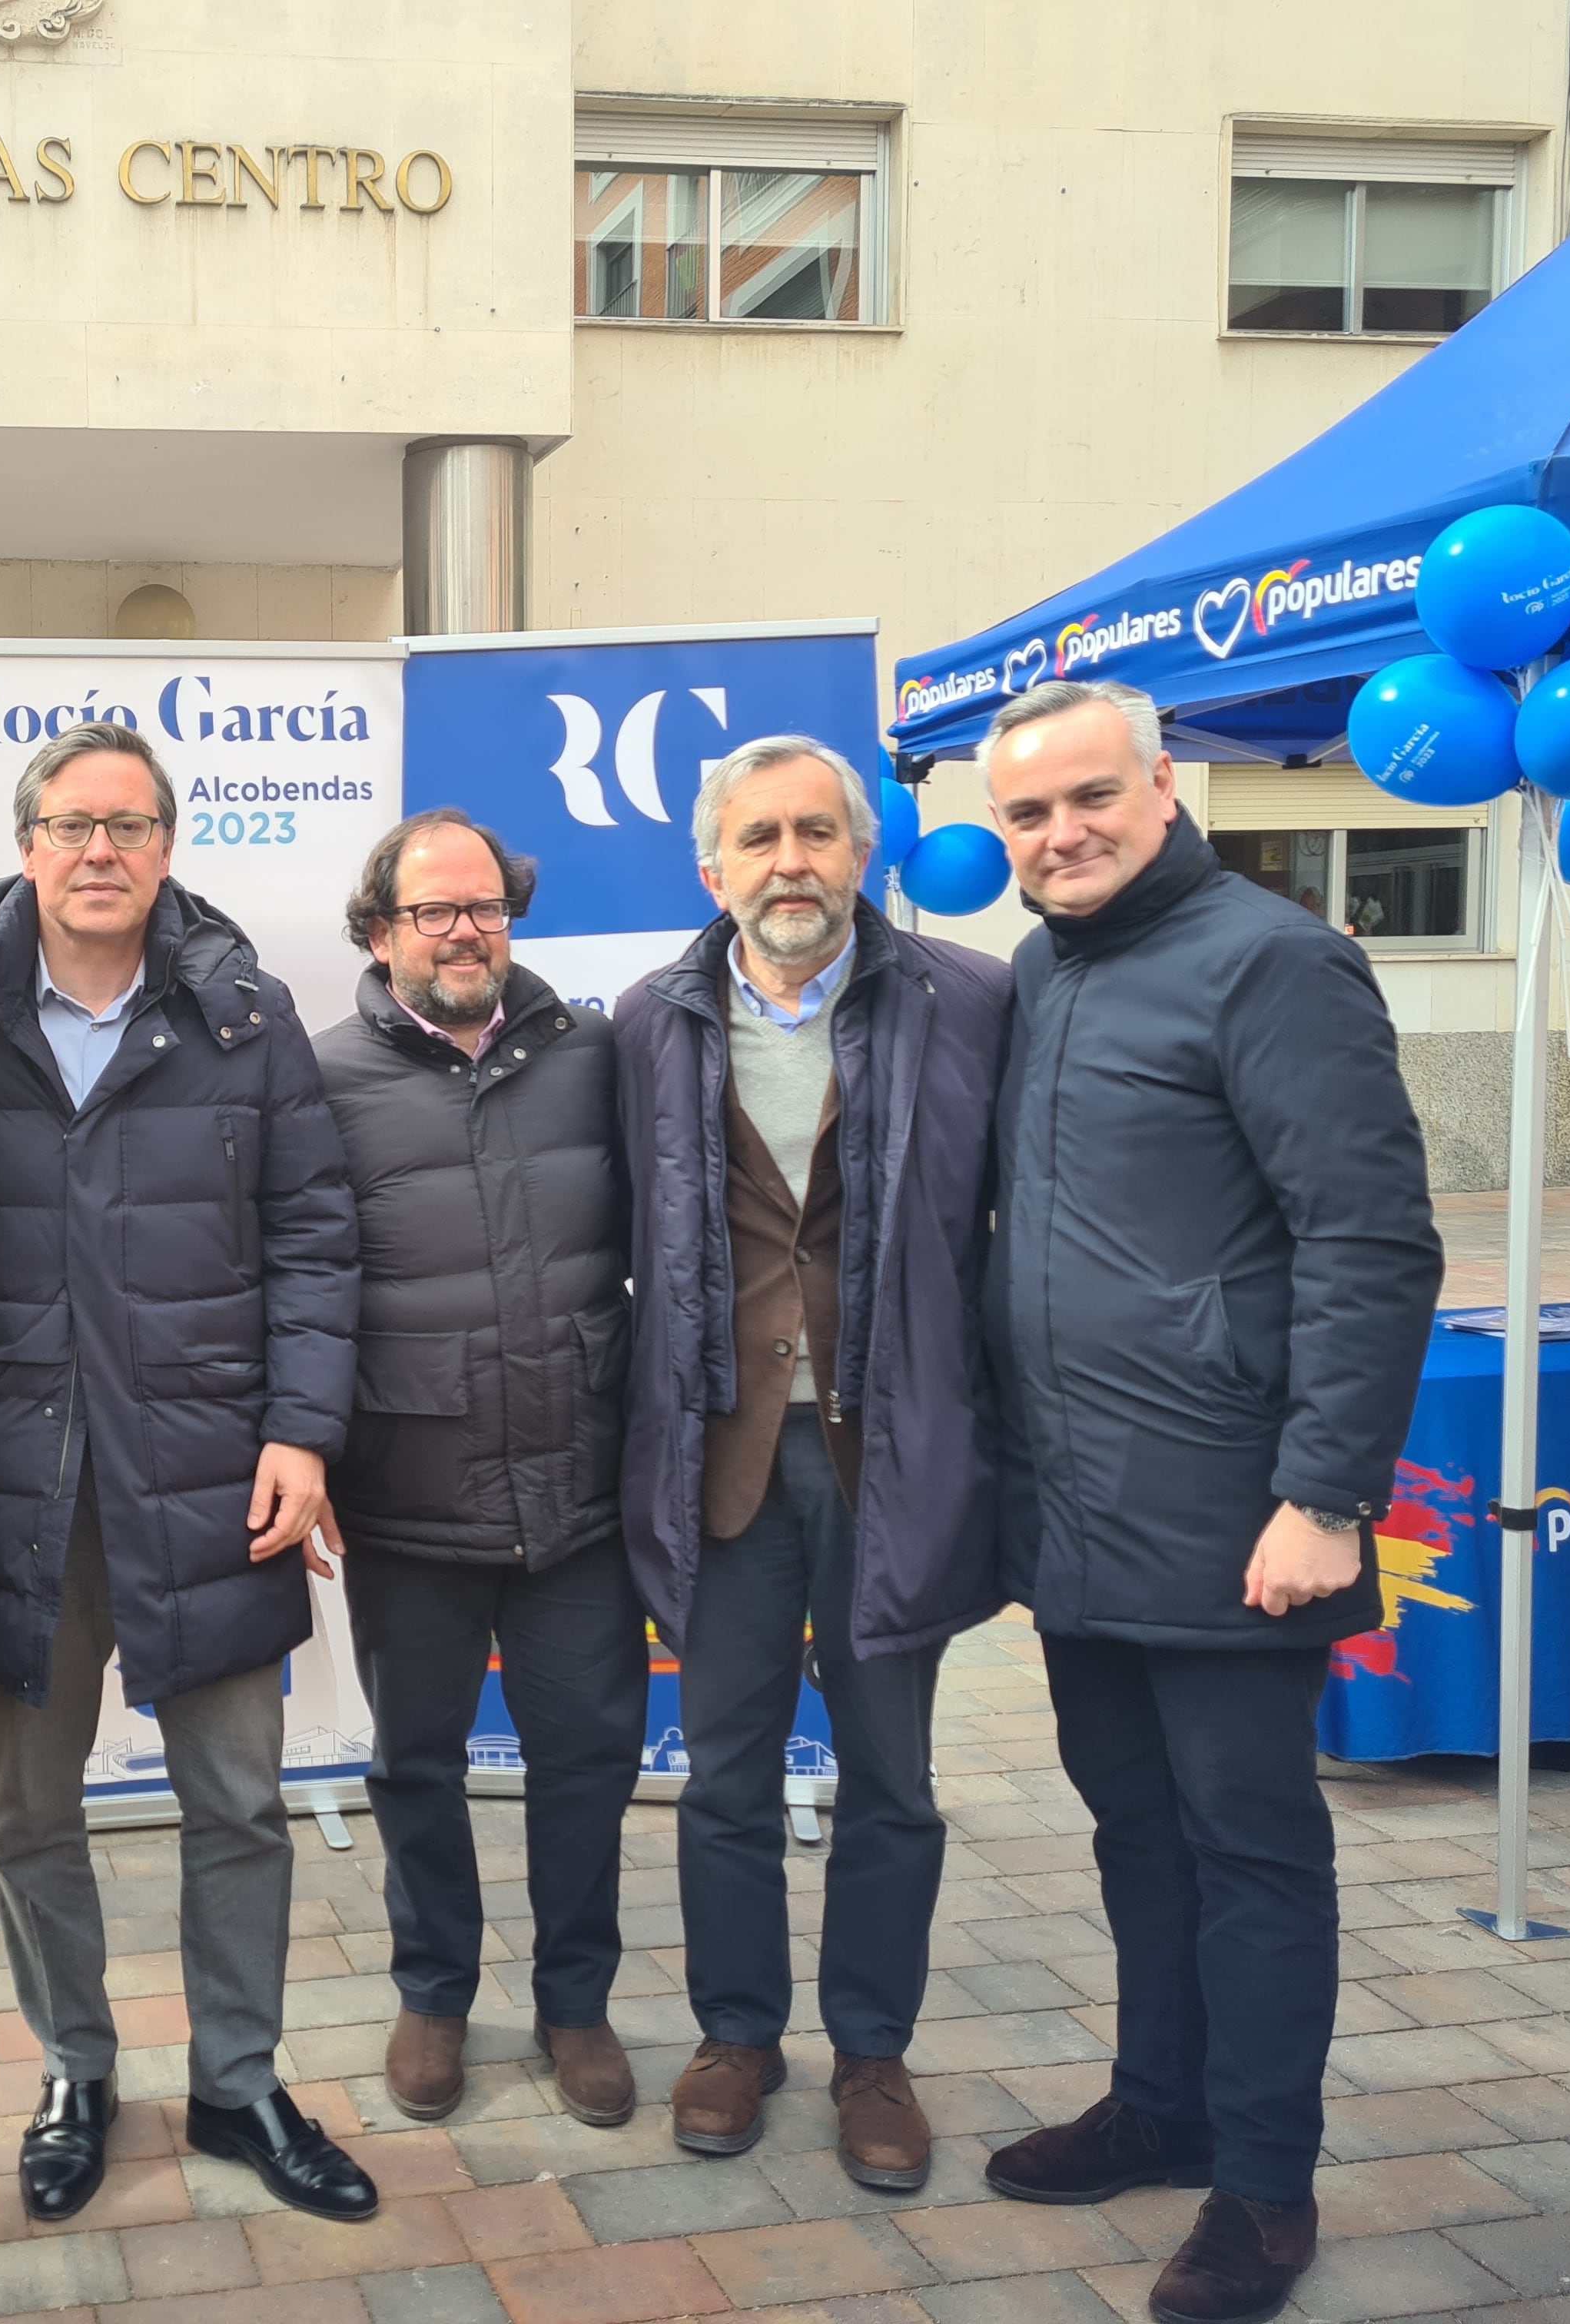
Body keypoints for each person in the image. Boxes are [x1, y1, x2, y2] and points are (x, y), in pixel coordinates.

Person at [974, 679, 1439, 2324]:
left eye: (1090, 798)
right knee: (1137, 1840)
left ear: (1164, 788)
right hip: (1082, 1522)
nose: (1061, 833)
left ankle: (1262, 2187)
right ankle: (1157, 2101)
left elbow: (1373, 1243)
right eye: (1027, 813)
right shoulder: (1042, 968)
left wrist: (1326, 1494)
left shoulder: (1277, 961)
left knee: (1252, 1855)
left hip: (1247, 1526)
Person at [0, 721, 377, 2224]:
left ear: (170, 847)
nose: (100, 852)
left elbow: (317, 1234)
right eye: (72, 826)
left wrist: (305, 1431)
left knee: (240, 1803)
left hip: (209, 1470)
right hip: (19, 1482)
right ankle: (76, 2069)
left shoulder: (243, 1016)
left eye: (129, 827)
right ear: (28, 844)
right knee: (30, 1813)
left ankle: (240, 2085)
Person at [614, 738, 1012, 2191]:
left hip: (890, 1457)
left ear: (866, 851)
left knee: (891, 1780)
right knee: (723, 1776)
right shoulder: (649, 1024)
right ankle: (737, 2033)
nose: (793, 860)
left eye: (820, 833)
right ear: (711, 867)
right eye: (762, 836)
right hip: (716, 1463)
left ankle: (873, 2050)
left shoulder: (970, 1001)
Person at [310, 810, 649, 2129]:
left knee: (588, 1759)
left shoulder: (597, 1055)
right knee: (417, 1765)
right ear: (381, 930)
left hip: (579, 1485)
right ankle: (434, 1993)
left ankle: (577, 2006)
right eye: (434, 912)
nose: (465, 931)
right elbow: (301, 1283)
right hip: (411, 1491)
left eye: (485, 906)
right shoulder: (324, 1076)